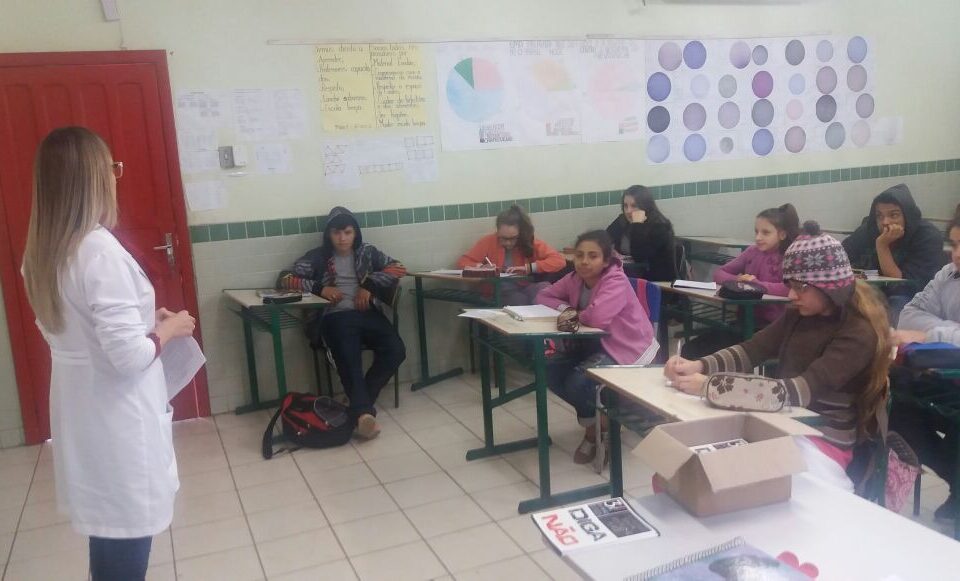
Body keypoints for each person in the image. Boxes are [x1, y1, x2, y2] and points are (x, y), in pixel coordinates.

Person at [21, 127, 196, 580]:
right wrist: (169, 329)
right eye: (112, 169)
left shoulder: (43, 251)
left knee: (108, 530)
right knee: (126, 535)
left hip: (83, 410)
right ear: (93, 179)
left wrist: (144, 320)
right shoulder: (98, 252)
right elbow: (128, 358)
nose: (116, 177)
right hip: (118, 419)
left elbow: (70, 328)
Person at [666, 222, 892, 490]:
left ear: (829, 286)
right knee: (685, 472)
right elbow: (752, 350)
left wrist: (712, 386)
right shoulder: (799, 313)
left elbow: (799, 391)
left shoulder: (858, 333)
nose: (792, 294)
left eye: (800, 286)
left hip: (821, 441)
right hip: (784, 423)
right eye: (789, 285)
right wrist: (698, 365)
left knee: (729, 485)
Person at [278, 206, 406, 439]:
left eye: (348, 232)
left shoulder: (367, 252)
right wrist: (320, 288)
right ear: (328, 235)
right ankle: (364, 414)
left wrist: (369, 285)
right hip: (335, 317)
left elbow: (398, 267)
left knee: (396, 350)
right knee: (349, 356)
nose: (342, 238)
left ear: (355, 233)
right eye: (336, 233)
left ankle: (358, 405)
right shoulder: (317, 257)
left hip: (367, 313)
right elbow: (285, 279)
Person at [536, 230, 659, 464]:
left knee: (578, 383)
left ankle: (598, 432)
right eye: (579, 255)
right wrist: (567, 309)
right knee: (550, 370)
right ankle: (599, 424)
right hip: (592, 345)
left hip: (627, 348)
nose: (584, 261)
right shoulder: (574, 279)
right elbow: (543, 296)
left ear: (605, 261)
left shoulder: (616, 280)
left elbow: (598, 318)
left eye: (592, 256)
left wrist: (576, 314)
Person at [889, 208, 960, 521]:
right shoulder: (948, 274)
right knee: (893, 400)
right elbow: (909, 315)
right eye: (954, 245)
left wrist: (932, 333)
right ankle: (957, 482)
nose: (957, 254)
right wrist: (950, 331)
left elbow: (921, 326)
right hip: (942, 376)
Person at [682, 204, 800, 359]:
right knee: (690, 349)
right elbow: (719, 274)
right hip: (743, 323)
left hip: (772, 328)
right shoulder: (752, 252)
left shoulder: (789, 256)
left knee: (716, 354)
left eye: (765, 233)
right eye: (756, 232)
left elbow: (789, 289)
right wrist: (738, 280)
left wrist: (756, 285)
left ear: (782, 234)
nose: (758, 237)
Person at [842, 184, 945, 323]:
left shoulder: (927, 236)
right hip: (871, 293)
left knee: (896, 307)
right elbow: (841, 256)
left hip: (912, 297)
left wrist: (882, 245)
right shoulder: (869, 230)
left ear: (907, 215)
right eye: (879, 216)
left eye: (894, 215)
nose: (885, 222)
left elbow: (901, 283)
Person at [458, 204, 566, 305]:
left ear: (520, 233)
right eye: (503, 238)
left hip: (525, 287)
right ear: (498, 231)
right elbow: (463, 262)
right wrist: (481, 267)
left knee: (545, 289)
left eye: (513, 238)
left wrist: (528, 268)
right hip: (498, 292)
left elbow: (559, 261)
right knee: (519, 300)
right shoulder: (488, 242)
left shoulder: (528, 242)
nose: (508, 243)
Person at [605, 185, 677, 281]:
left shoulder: (660, 226)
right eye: (625, 206)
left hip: (656, 280)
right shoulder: (623, 220)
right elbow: (603, 239)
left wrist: (637, 225)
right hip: (628, 274)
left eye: (634, 206)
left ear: (645, 206)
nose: (628, 211)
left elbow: (639, 256)